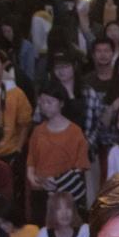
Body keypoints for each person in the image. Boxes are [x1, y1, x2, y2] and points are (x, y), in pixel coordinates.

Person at [25, 84, 91, 221]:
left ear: (61, 103)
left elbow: (81, 166)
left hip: (66, 193)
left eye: (49, 102)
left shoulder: (75, 131)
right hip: (41, 191)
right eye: (42, 102)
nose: (45, 106)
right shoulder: (38, 131)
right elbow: (31, 160)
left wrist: (57, 182)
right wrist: (32, 178)